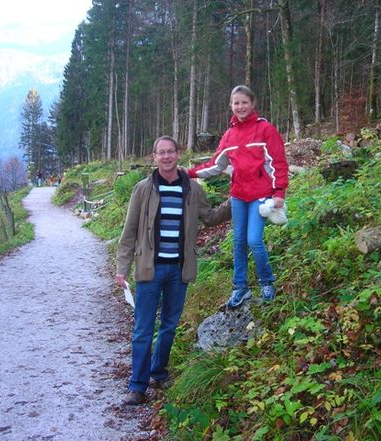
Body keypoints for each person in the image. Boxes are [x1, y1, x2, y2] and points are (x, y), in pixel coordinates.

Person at [115, 135, 231, 406]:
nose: (166, 157)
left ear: (178, 154)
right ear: (153, 157)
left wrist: (236, 201)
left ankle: (158, 371)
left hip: (179, 271)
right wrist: (122, 268)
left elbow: (210, 217)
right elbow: (129, 232)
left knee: (169, 326)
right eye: (161, 153)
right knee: (143, 329)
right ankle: (137, 386)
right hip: (149, 270)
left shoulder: (192, 188)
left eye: (171, 152)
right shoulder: (143, 190)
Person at [188, 85, 289, 309]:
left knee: (254, 240)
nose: (240, 106)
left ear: (252, 104)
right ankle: (240, 288)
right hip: (238, 197)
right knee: (238, 242)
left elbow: (278, 163)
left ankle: (266, 282)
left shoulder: (265, 130)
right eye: (236, 103)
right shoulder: (230, 134)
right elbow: (216, 165)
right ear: (231, 106)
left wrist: (279, 191)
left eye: (244, 102)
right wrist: (190, 172)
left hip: (261, 196)